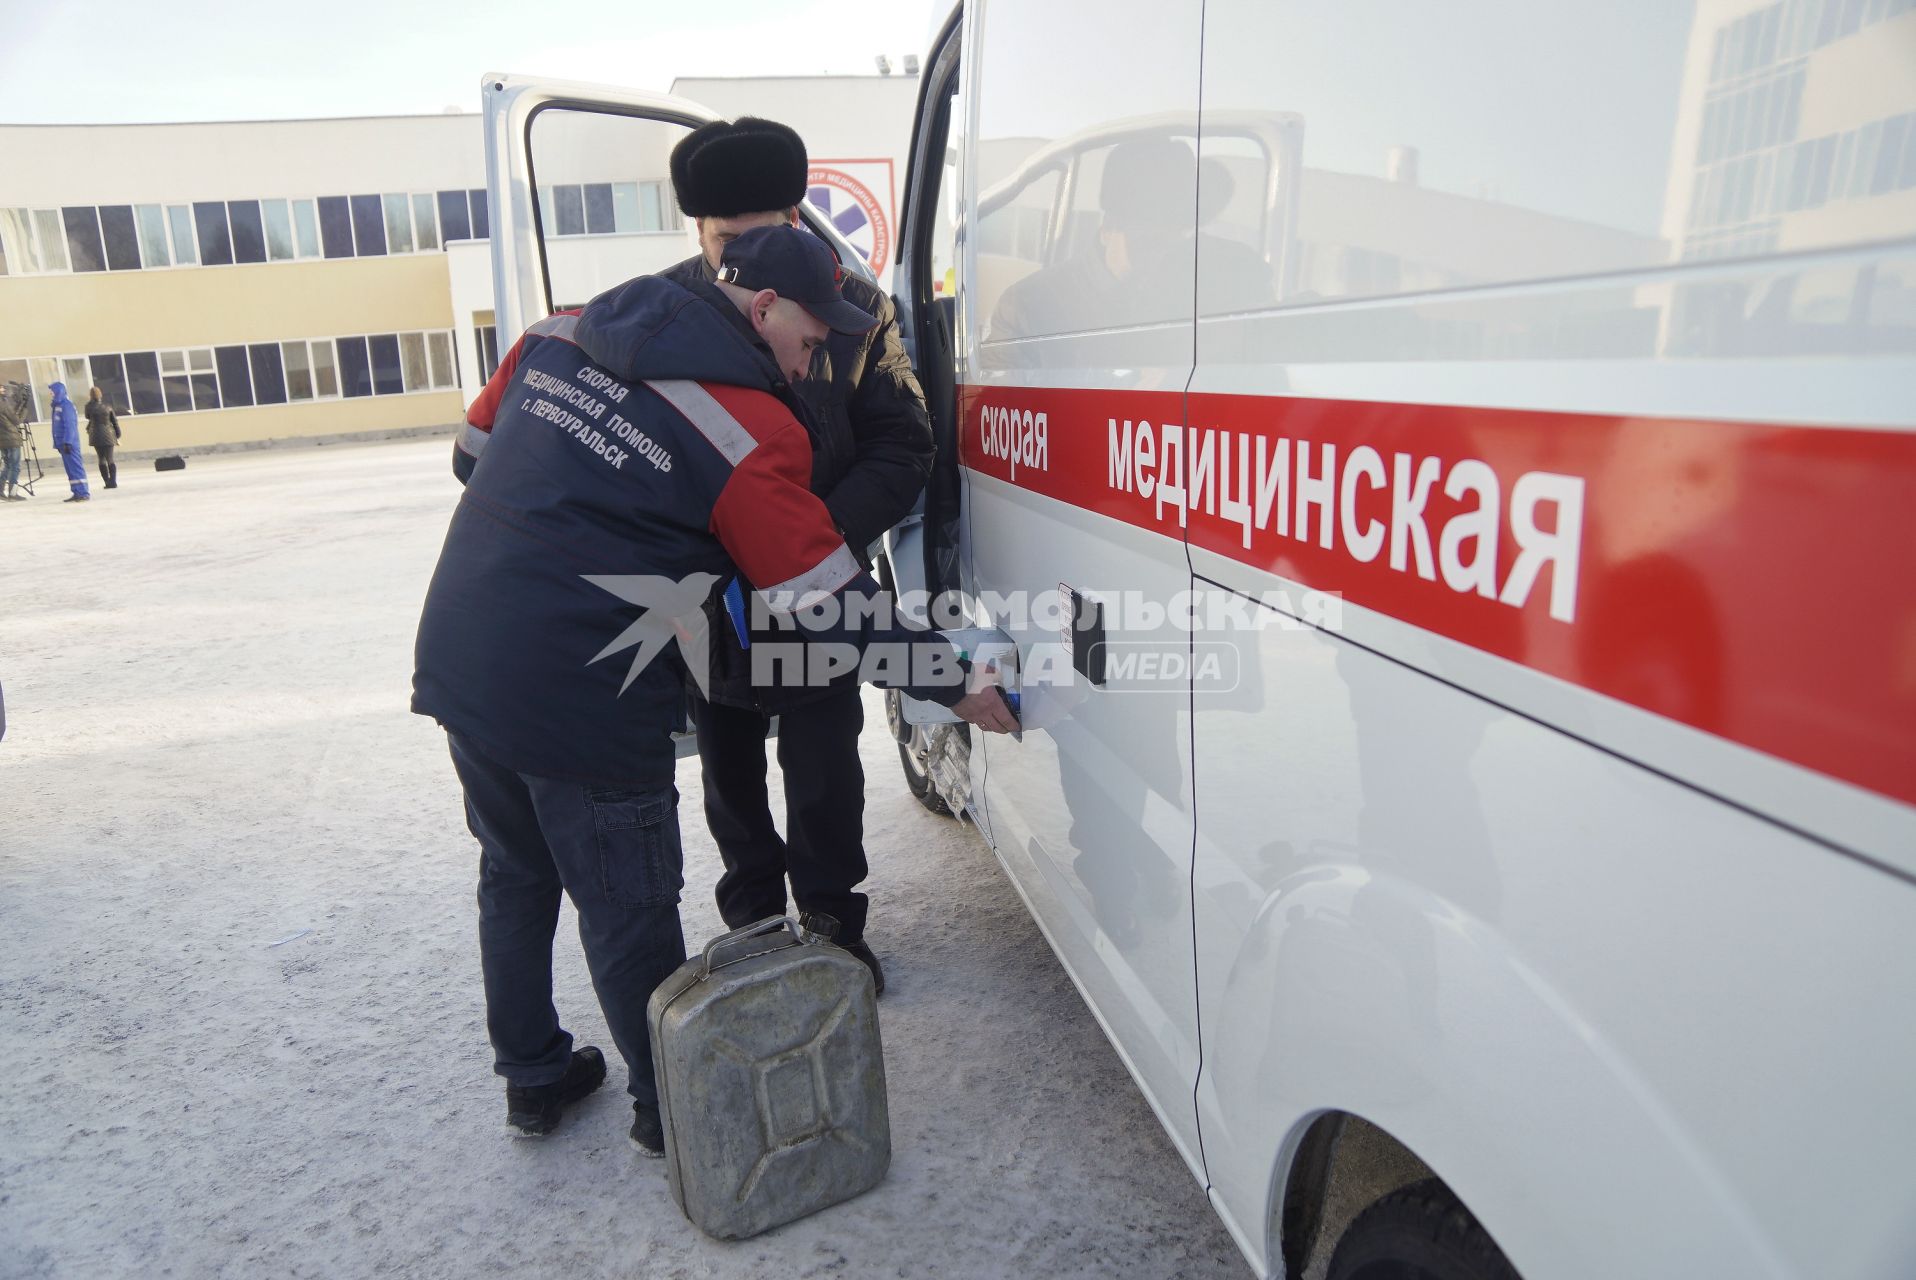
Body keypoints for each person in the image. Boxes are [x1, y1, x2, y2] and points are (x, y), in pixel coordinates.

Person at [417, 225, 1017, 1157]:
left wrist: (593, 504)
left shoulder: (559, 332)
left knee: (517, 870)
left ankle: (533, 1076)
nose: (816, 360)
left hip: (466, 647)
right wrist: (949, 681)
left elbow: (472, 451)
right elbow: (827, 602)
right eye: (814, 340)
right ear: (765, 309)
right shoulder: (743, 428)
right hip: (583, 689)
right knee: (628, 901)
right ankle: (680, 1118)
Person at [661, 117, 934, 995]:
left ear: (795, 214)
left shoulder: (855, 309)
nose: (741, 261)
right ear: (697, 233)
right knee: (727, 762)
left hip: (822, 569)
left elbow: (905, 443)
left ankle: (830, 920)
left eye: (760, 236)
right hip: (708, 590)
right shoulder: (666, 311)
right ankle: (753, 922)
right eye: (722, 242)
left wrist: (811, 536)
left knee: (823, 760)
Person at [48, 383, 88, 503]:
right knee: (70, 469)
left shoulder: (66, 406)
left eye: (52, 391)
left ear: (58, 391)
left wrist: (68, 442)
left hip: (69, 444)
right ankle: (76, 491)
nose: (50, 394)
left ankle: (83, 493)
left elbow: (70, 425)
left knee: (76, 468)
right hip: (62, 444)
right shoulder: (57, 406)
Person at [84, 387, 121, 490]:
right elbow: (114, 421)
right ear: (100, 394)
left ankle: (106, 481)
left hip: (95, 434)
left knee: (101, 459)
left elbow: (88, 417)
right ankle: (113, 481)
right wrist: (118, 434)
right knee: (110, 458)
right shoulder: (108, 406)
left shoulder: (88, 407)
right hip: (108, 434)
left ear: (90, 395)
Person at [0, 388, 25, 502]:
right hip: (11, 439)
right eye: (1, 388)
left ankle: (0, 491)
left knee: (8, 465)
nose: (4, 389)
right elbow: (16, 420)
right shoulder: (3, 404)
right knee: (15, 466)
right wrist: (24, 407)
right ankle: (12, 493)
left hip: (2, 440)